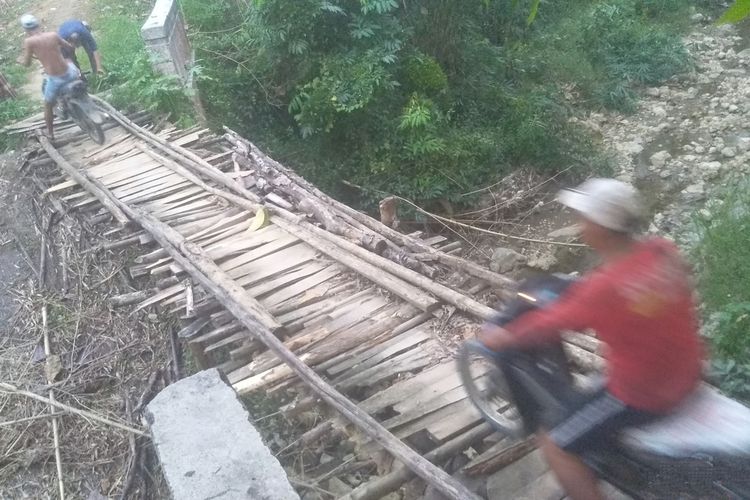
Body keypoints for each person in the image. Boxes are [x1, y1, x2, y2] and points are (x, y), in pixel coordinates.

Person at [479, 178, 703, 500]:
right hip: (688, 371)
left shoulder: (603, 288)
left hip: (645, 394)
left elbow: (548, 323)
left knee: (555, 442)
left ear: (603, 227)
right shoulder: (662, 250)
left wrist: (501, 337)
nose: (580, 226)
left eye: (584, 219)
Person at [16, 14, 79, 140]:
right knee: (69, 63)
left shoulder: (29, 42)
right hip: (71, 74)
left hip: (56, 79)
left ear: (25, 29)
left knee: (47, 105)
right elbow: (70, 47)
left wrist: (21, 62)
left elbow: (27, 63)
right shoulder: (53, 35)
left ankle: (50, 134)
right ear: (38, 24)